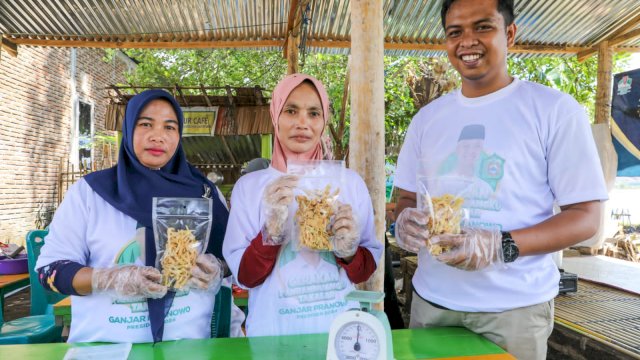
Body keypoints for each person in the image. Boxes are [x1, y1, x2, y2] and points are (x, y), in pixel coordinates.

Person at [393, 0, 607, 359]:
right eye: (455, 32)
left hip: (513, 312)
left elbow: (586, 217)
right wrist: (403, 222)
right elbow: (405, 199)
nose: (468, 41)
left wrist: (499, 245)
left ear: (509, 33)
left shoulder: (553, 111)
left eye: (482, 27)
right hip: (433, 304)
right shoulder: (427, 120)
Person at [36, 89, 230, 343]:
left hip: (189, 347)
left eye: (169, 128)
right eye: (145, 124)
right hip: (106, 349)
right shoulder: (90, 193)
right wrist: (107, 278)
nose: (158, 136)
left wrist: (216, 269)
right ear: (128, 129)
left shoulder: (204, 193)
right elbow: (48, 273)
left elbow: (231, 261)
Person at [223, 74, 382, 337]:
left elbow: (364, 271)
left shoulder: (348, 183)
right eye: (291, 110)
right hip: (272, 335)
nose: (302, 123)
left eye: (313, 113)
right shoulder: (250, 188)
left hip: (337, 334)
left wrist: (349, 252)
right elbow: (245, 277)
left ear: (323, 121)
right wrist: (270, 233)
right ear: (276, 115)